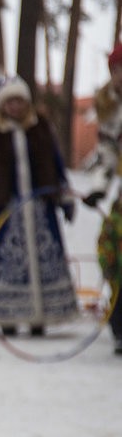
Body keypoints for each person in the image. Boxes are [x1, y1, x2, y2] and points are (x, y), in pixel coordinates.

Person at [0, 76, 79, 336]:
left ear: (27, 102)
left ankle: (40, 318)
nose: (15, 106)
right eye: (10, 102)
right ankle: (7, 317)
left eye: (19, 101)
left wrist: (64, 196)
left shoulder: (41, 128)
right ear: (2, 105)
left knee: (44, 258)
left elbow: (56, 163)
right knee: (8, 259)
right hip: (6, 209)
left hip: (40, 206)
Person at [94, 43, 122, 354]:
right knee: (111, 253)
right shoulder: (109, 107)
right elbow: (107, 154)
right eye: (116, 70)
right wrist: (99, 187)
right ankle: (119, 324)